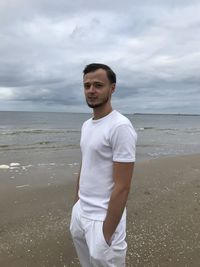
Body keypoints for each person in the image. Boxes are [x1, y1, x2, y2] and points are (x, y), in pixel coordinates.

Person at [70, 63, 137, 267]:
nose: (91, 90)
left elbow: (123, 186)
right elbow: (86, 163)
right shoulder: (87, 125)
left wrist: (106, 232)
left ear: (112, 88)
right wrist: (76, 205)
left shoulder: (120, 126)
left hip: (103, 218)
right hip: (81, 212)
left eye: (98, 85)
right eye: (87, 85)